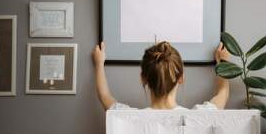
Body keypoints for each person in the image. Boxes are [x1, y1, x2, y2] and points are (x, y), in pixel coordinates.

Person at [92, 41, 230, 111]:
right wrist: (223, 62)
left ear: (143, 78)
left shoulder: (128, 118)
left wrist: (99, 63)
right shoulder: (199, 117)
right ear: (181, 78)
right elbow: (222, 95)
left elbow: (105, 96)